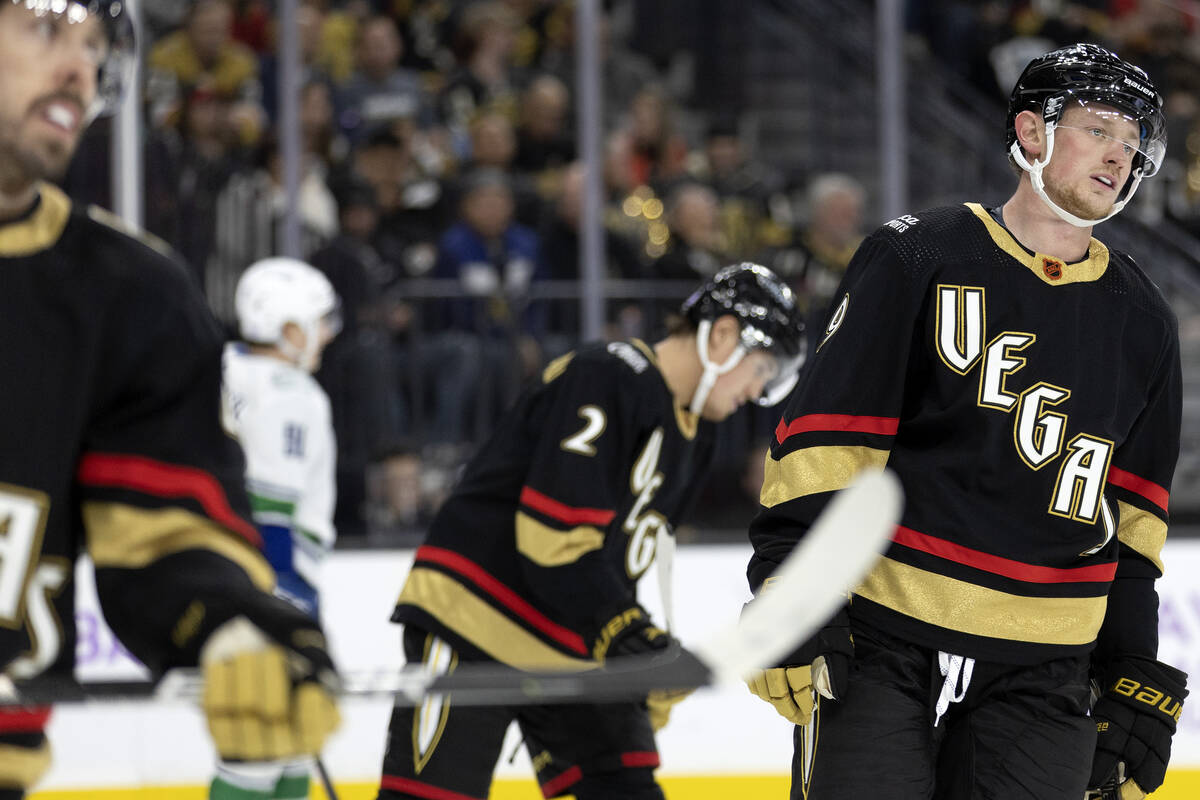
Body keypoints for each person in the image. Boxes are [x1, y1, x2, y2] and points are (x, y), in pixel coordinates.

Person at [744, 43, 1188, 799]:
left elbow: (1134, 521)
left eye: (1133, 137)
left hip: (1049, 665)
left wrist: (1129, 667)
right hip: (883, 634)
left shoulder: (1143, 319)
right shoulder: (917, 254)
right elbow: (827, 444)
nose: (1122, 152)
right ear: (1033, 131)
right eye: (1101, 128)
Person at [0, 3, 338, 797]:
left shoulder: (130, 293)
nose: (79, 67)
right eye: (49, 27)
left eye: (93, 45)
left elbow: (162, 540)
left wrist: (233, 633)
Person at [376, 263, 806, 800]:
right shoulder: (609, 374)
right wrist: (630, 641)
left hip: (571, 640)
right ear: (722, 335)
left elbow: (614, 559)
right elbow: (553, 539)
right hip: (477, 618)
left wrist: (639, 653)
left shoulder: (695, 434)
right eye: (763, 367)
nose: (759, 389)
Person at [210, 258, 342, 800]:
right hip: (274, 582)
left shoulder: (222, 367)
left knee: (281, 744)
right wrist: (282, 598)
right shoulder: (293, 394)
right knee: (260, 749)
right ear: (288, 328)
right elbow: (268, 507)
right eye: (317, 322)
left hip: (227, 574)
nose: (326, 335)